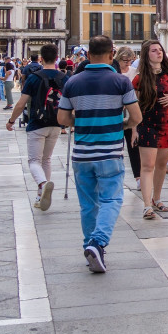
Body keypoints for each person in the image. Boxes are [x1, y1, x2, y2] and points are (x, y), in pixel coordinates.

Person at [58, 35, 142, 273]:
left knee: (88, 205)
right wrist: (121, 125)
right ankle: (98, 242)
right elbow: (136, 117)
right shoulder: (120, 82)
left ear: (88, 54)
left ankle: (91, 249)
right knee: (112, 199)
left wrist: (83, 120)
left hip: (82, 153)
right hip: (109, 151)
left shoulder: (73, 82)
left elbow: (62, 118)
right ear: (111, 54)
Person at [9, 44, 66, 211]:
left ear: (41, 58)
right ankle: (40, 196)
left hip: (37, 123)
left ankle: (42, 184)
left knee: (34, 161)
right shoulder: (64, 77)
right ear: (57, 58)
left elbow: (21, 104)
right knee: (46, 159)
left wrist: (11, 121)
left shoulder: (34, 78)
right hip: (56, 123)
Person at [133, 40, 168, 220]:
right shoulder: (140, 78)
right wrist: (133, 128)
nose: (158, 53)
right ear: (147, 55)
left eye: (160, 50)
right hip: (147, 124)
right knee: (147, 166)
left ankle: (157, 199)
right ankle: (147, 206)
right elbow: (133, 104)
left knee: (161, 165)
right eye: (154, 51)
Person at [112, 47, 142, 183]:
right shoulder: (113, 72)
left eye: (130, 61)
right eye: (125, 61)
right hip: (116, 113)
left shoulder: (135, 72)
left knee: (133, 145)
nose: (128, 64)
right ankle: (116, 176)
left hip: (131, 113)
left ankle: (138, 177)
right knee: (117, 147)